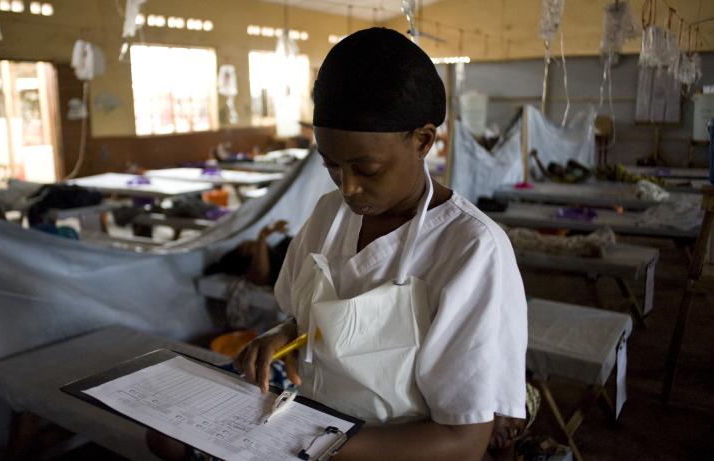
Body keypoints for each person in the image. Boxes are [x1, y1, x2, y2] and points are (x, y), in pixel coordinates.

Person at [149, 27, 527, 461]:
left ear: (424, 140)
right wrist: (280, 336)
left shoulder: (471, 249)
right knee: (165, 437)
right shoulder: (330, 216)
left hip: (381, 448)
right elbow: (316, 322)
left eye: (366, 168)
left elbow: (462, 443)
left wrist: (310, 444)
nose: (348, 187)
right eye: (331, 165)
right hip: (312, 421)